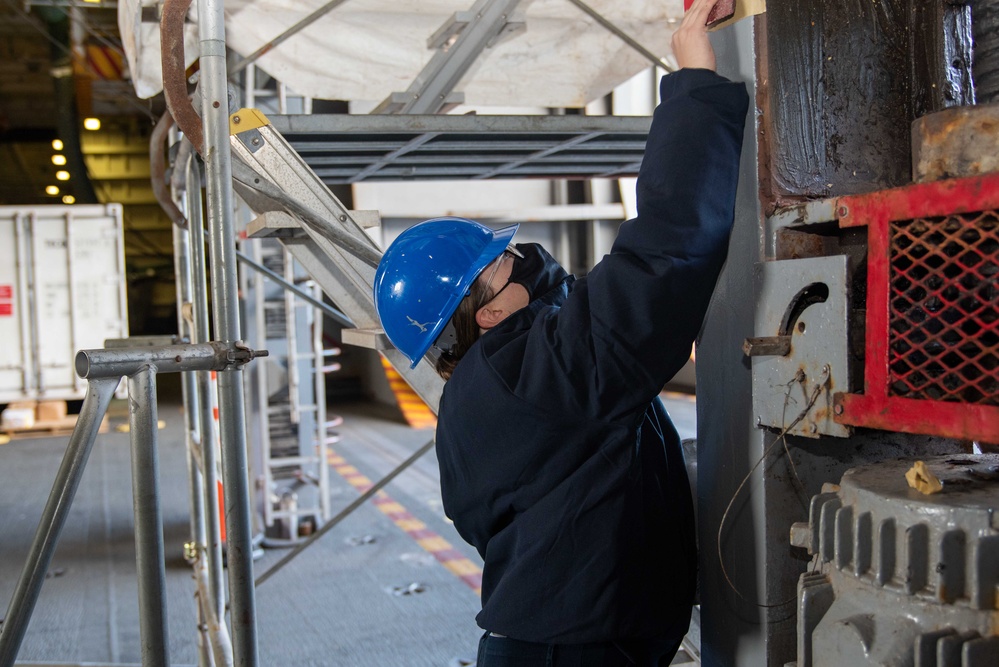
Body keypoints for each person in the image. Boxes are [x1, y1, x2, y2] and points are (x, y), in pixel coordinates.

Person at [372, 0, 749, 663]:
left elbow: (564, 304)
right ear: (486, 314)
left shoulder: (487, 390)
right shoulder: (530, 375)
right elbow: (662, 255)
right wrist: (695, 87)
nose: (525, 258)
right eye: (504, 263)